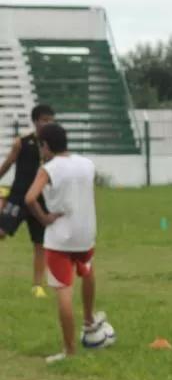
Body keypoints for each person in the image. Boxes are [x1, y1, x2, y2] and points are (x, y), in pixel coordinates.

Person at [23, 123, 107, 364]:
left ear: (45, 146)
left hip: (60, 238)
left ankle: (69, 349)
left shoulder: (48, 168)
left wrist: (45, 219)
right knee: (87, 271)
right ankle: (89, 320)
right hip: (85, 232)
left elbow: (30, 198)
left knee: (63, 290)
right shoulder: (86, 164)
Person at [0, 103, 57, 298]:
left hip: (40, 201)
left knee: (40, 242)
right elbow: (8, 164)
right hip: (17, 197)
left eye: (50, 121)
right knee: (1, 232)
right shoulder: (22, 142)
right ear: (35, 121)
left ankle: (37, 286)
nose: (47, 124)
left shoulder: (53, 147)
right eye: (44, 120)